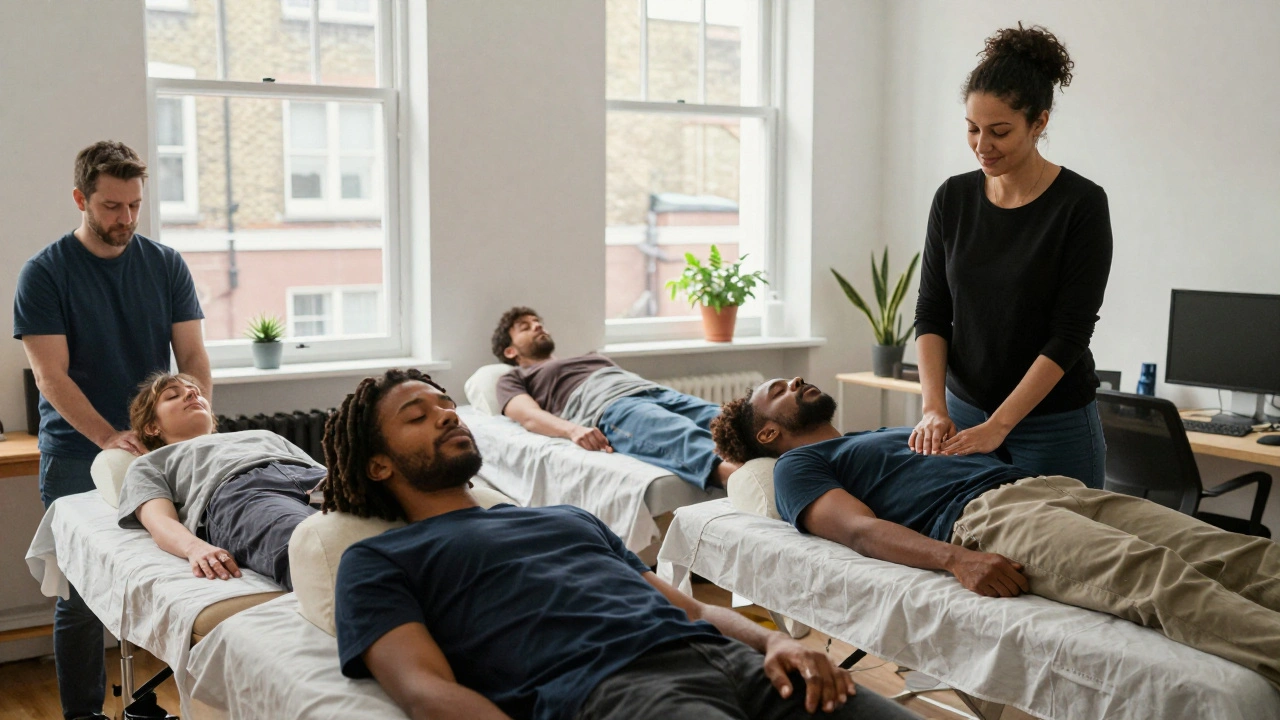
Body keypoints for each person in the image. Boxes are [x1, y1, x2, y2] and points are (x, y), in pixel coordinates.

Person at [321, 369, 917, 720]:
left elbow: (696, 608)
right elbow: (424, 690)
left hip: (740, 663)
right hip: (617, 691)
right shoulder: (376, 560)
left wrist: (773, 642)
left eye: (446, 405)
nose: (447, 415)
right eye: (417, 415)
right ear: (377, 465)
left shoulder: (565, 518)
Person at [711, 377, 1280, 689]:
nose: (797, 382)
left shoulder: (873, 433)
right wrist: (957, 559)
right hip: (989, 519)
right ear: (766, 432)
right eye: (780, 390)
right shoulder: (794, 469)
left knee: (1235, 552)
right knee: (1154, 577)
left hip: (1052, 488)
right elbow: (859, 531)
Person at [12, 141, 211, 720]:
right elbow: (50, 375)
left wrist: (190, 427)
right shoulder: (45, 273)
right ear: (81, 199)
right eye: (110, 206)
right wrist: (106, 436)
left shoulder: (166, 263)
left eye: (134, 206)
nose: (124, 219)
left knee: (181, 573)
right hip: (79, 450)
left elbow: (193, 355)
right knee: (78, 600)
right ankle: (82, 715)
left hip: (158, 446)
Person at [911, 24, 1112, 488]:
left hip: (1053, 425)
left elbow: (1070, 334)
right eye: (972, 129)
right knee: (971, 553)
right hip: (961, 415)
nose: (983, 145)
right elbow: (932, 311)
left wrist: (1000, 425)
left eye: (999, 131)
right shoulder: (953, 198)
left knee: (1063, 557)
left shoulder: (1080, 204)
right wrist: (933, 409)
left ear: (1038, 123)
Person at [490, 306, 738, 489]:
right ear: (510, 351)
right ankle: (744, 481)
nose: (538, 326)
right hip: (611, 407)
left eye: (538, 321)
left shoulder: (590, 357)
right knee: (679, 433)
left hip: (656, 392)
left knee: (731, 420)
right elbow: (529, 416)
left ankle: (775, 460)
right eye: (526, 326)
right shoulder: (512, 378)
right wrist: (573, 430)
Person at [116, 372, 323, 590]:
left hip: (311, 478)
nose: (191, 393)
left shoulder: (264, 435)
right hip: (243, 493)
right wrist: (194, 548)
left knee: (360, 520)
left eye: (194, 391)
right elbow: (158, 520)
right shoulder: (150, 462)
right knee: (310, 544)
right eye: (173, 396)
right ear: (152, 427)